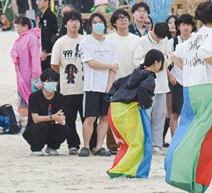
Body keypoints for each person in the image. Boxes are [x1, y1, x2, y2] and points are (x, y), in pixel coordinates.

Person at [166, 0, 212, 193]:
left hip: (191, 87)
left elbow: (174, 55)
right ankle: (196, 180)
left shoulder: (194, 36)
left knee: (188, 128)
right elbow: (204, 52)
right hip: (209, 87)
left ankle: (174, 167)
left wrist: (189, 70)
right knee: (209, 135)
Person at [107, 49, 165, 178]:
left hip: (114, 108)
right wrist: (146, 104)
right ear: (156, 63)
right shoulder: (149, 77)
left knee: (126, 144)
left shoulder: (136, 73)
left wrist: (109, 98)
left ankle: (117, 167)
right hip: (128, 110)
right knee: (139, 143)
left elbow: (117, 83)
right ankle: (119, 170)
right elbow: (143, 89)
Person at [78, 13, 119, 157]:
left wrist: (110, 84)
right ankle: (86, 146)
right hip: (91, 86)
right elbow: (91, 63)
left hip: (106, 87)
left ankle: (99, 146)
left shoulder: (111, 44)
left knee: (104, 118)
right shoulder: (85, 43)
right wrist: (109, 66)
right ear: (90, 26)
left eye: (100, 22)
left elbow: (115, 66)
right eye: (95, 22)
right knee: (90, 117)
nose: (98, 25)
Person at [50, 11, 86, 154]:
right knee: (69, 119)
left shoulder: (86, 40)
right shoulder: (60, 42)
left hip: (85, 87)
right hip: (67, 88)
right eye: (71, 21)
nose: (74, 23)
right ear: (65, 24)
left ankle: (91, 144)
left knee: (88, 118)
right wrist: (63, 76)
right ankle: (73, 145)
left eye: (77, 20)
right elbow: (54, 65)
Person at [133, 21, 172, 156]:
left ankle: (156, 145)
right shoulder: (142, 41)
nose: (158, 40)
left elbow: (169, 59)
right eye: (157, 37)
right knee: (145, 116)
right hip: (146, 86)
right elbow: (137, 61)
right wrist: (152, 66)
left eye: (161, 38)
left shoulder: (165, 41)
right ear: (153, 29)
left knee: (160, 116)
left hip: (162, 85)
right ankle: (143, 144)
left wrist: (163, 62)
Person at [23, 68, 67, 156]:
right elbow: (35, 119)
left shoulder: (60, 97)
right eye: (48, 81)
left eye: (53, 81)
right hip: (34, 130)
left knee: (64, 128)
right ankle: (36, 148)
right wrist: (52, 117)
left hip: (51, 128)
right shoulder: (34, 97)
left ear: (57, 82)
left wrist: (60, 118)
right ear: (42, 82)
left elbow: (61, 117)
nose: (51, 83)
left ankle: (52, 147)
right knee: (43, 126)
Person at [10, 17, 42, 124]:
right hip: (21, 75)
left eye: (18, 27)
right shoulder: (21, 38)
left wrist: (36, 75)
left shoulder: (32, 38)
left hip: (30, 76)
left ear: (26, 26)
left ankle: (27, 123)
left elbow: (35, 57)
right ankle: (24, 122)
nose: (17, 30)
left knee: (28, 100)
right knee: (23, 99)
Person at [167, 13, 194, 136]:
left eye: (188, 24)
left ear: (192, 26)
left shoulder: (196, 41)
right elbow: (165, 62)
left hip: (193, 81)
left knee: (191, 113)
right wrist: (170, 75)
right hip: (177, 81)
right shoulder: (172, 42)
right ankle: (175, 140)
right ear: (178, 26)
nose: (186, 27)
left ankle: (188, 139)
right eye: (183, 25)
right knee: (175, 112)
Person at [106, 9, 139, 78]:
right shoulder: (108, 39)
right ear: (114, 23)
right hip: (115, 79)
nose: (123, 20)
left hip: (133, 79)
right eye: (120, 18)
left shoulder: (137, 39)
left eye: (126, 18)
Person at [37, 0, 59, 72]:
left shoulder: (50, 16)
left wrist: (45, 50)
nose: (38, 3)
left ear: (47, 2)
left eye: (40, 0)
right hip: (43, 47)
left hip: (49, 50)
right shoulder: (41, 15)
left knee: (48, 71)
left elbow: (50, 34)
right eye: (37, 1)